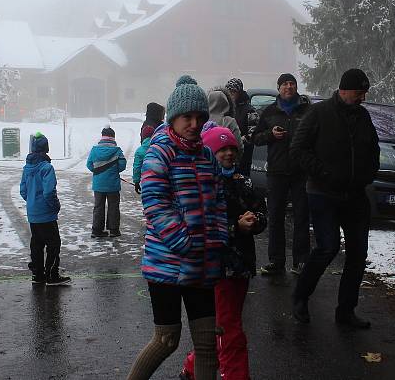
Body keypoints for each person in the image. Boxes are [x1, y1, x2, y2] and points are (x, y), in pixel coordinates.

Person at [127, 75, 227, 380]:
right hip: (167, 266)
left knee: (208, 344)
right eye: (187, 117)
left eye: (200, 117)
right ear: (173, 118)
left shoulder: (207, 155)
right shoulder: (160, 152)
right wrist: (186, 242)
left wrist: (220, 238)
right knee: (167, 340)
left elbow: (219, 200)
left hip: (203, 265)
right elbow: (155, 205)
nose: (194, 123)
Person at [289, 69, 379, 328]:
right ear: (344, 89)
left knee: (358, 253)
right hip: (323, 193)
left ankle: (346, 311)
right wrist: (324, 174)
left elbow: (373, 149)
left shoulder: (363, 117)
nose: (362, 97)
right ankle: (300, 297)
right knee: (327, 247)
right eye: (359, 92)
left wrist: (368, 174)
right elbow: (298, 148)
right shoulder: (319, 113)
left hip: (355, 195)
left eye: (364, 93)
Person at [180, 126, 266, 380]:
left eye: (231, 148)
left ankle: (193, 368)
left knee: (224, 323)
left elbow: (262, 212)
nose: (228, 154)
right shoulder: (205, 184)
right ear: (209, 153)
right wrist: (234, 227)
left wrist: (255, 220)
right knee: (229, 328)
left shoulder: (244, 182)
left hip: (241, 266)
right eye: (221, 150)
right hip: (217, 267)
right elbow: (201, 226)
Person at [250, 73, 311, 275]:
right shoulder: (269, 112)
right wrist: (271, 135)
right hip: (276, 171)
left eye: (292, 84)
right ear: (278, 88)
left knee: (302, 216)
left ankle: (301, 261)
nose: (289, 87)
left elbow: (316, 136)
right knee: (275, 217)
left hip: (301, 172)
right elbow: (256, 138)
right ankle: (276, 261)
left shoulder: (306, 110)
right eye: (285, 84)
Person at [20, 132, 72, 286]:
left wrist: (32, 202)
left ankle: (38, 274)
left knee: (36, 244)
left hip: (33, 214)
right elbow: (49, 192)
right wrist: (55, 206)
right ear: (46, 148)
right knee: (54, 243)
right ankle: (52, 275)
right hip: (46, 214)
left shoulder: (27, 167)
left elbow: (23, 190)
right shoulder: (46, 168)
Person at [86, 126, 127, 238]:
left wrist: (98, 171)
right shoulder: (117, 150)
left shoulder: (94, 150)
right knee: (113, 206)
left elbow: (89, 165)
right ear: (113, 137)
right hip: (113, 185)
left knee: (98, 206)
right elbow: (122, 165)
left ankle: (96, 230)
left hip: (98, 185)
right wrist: (114, 171)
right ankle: (114, 230)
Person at [226, 78, 255, 174]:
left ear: (239, 92)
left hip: (243, 157)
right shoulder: (226, 109)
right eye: (228, 91)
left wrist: (237, 141)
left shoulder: (250, 110)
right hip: (226, 157)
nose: (230, 94)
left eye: (233, 91)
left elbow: (253, 134)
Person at [133, 124, 156, 194]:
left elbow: (137, 167)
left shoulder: (139, 151)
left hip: (146, 182)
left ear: (143, 136)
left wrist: (136, 182)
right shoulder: (159, 147)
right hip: (161, 181)